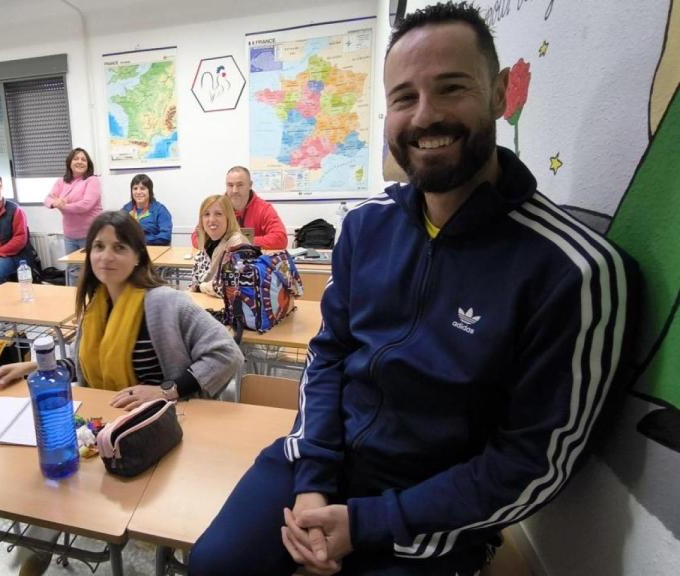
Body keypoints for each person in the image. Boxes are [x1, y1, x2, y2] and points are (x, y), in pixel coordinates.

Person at [190, 4, 633, 576]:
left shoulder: (574, 270)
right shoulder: (366, 227)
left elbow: (532, 464)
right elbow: (329, 355)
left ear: (500, 94)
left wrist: (371, 522)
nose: (426, 116)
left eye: (451, 88)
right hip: (322, 460)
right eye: (404, 98)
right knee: (213, 566)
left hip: (434, 507)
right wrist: (314, 484)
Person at [0, 211, 242, 576]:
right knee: (50, 486)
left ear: (139, 256)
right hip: (105, 427)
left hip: (159, 431)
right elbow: (87, 372)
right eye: (98, 247)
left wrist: (166, 390)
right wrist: (38, 368)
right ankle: (34, 559)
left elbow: (227, 354)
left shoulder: (164, 303)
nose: (105, 257)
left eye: (118, 247)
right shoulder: (95, 306)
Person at [190, 166, 287, 250]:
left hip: (252, 264)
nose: (234, 190)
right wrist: (220, 243)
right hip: (221, 263)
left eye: (240, 185)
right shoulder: (216, 206)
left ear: (250, 185)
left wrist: (241, 241)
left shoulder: (264, 209)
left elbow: (280, 239)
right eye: (230, 185)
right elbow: (196, 236)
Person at [45, 147, 103, 283]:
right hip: (70, 235)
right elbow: (47, 199)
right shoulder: (61, 181)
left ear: (88, 163)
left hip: (90, 234)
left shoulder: (92, 180)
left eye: (83, 159)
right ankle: (74, 301)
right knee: (73, 270)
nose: (80, 161)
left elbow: (86, 205)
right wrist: (54, 204)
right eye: (76, 158)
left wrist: (63, 206)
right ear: (69, 162)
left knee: (92, 270)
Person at [190, 194, 245, 297]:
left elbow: (232, 287)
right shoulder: (206, 244)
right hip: (206, 305)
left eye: (218, 214)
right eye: (206, 214)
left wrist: (201, 287)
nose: (211, 219)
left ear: (228, 218)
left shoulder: (237, 244)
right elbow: (194, 284)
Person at [122, 173, 172, 246]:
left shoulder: (160, 210)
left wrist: (141, 240)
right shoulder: (126, 209)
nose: (138, 192)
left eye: (142, 188)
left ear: (150, 191)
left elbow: (165, 237)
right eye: (135, 188)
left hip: (153, 250)